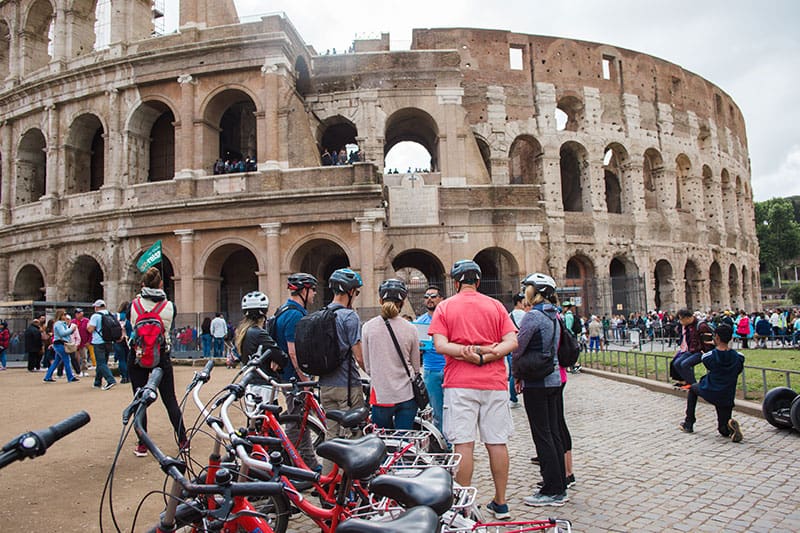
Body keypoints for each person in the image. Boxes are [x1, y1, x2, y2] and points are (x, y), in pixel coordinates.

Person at [428, 260, 518, 519]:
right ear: (478, 282)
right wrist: (490, 353)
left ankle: (464, 507)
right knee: (497, 442)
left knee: (463, 445)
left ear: (455, 283)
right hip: (494, 382)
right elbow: (512, 340)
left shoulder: (445, 307)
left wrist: (466, 353)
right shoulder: (496, 306)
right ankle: (501, 502)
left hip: (460, 383)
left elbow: (441, 345)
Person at [512, 273, 568, 507]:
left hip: (537, 381)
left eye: (528, 288)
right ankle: (558, 482)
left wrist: (516, 374)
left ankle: (552, 490)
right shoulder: (555, 314)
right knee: (553, 433)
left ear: (536, 292)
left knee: (542, 435)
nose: (525, 291)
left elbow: (518, 346)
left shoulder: (533, 317)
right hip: (554, 378)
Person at [129, 267, 188, 457]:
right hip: (160, 354)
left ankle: (142, 444)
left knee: (140, 400)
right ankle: (182, 439)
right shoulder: (169, 306)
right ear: (161, 284)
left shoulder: (135, 304)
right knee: (170, 399)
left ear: (143, 284)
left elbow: (132, 326)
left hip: (137, 354)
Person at [272, 273, 321, 470]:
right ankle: (298, 464)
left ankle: (303, 462)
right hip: (294, 378)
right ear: (304, 290)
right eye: (313, 290)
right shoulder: (294, 314)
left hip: (288, 376)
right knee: (296, 422)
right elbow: (293, 352)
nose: (315, 294)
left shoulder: (283, 310)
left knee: (299, 421)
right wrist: (305, 379)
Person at [362, 279, 421, 430]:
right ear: (403, 302)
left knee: (383, 440)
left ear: (381, 300)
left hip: (381, 395)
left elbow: (368, 367)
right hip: (406, 394)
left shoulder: (368, 327)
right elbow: (415, 366)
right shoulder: (411, 328)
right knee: (404, 440)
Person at [318, 268, 366, 440]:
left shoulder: (321, 314)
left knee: (331, 436)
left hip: (325, 386)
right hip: (347, 386)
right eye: (357, 292)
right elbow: (359, 357)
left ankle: (329, 468)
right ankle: (351, 469)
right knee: (353, 436)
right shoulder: (349, 316)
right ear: (350, 291)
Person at [679, 324, 744, 442]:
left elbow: (708, 364)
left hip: (711, 390)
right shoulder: (739, 357)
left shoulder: (708, 357)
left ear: (717, 337)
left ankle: (689, 423)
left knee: (693, 389)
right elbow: (738, 370)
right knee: (723, 429)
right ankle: (729, 427)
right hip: (727, 395)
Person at [414, 285, 447, 435]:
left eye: (433, 296)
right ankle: (443, 445)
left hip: (449, 369)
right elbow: (416, 352)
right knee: (437, 411)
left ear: (441, 299)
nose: (429, 300)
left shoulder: (449, 319)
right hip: (430, 370)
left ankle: (456, 441)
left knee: (454, 409)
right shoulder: (419, 322)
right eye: (427, 297)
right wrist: (418, 348)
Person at [233, 291, 289, 378]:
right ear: (264, 311)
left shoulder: (241, 332)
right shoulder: (259, 333)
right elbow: (282, 357)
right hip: (263, 380)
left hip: (249, 379)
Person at [670, 308, 714, 390]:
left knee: (685, 364)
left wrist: (706, 353)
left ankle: (693, 385)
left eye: (681, 319)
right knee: (676, 363)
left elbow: (708, 342)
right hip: (692, 350)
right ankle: (687, 381)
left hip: (701, 351)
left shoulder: (701, 326)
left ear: (687, 318)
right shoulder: (688, 326)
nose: (680, 322)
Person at [87, 299, 118, 390]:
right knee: (103, 362)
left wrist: (88, 326)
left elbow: (90, 329)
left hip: (98, 341)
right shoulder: (109, 314)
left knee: (100, 363)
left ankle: (110, 380)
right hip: (108, 341)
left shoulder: (95, 316)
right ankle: (97, 382)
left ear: (97, 307)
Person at [42, 309, 80, 383]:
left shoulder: (60, 323)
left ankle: (47, 377)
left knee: (56, 362)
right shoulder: (59, 324)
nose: (65, 316)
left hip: (59, 344)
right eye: (64, 314)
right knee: (67, 360)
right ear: (60, 315)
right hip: (61, 344)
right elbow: (62, 333)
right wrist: (71, 329)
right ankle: (70, 377)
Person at [507, 292, 528, 409]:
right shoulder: (524, 315)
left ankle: (513, 398)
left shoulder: (509, 315)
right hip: (522, 347)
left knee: (512, 374)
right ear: (519, 302)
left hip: (512, 346)